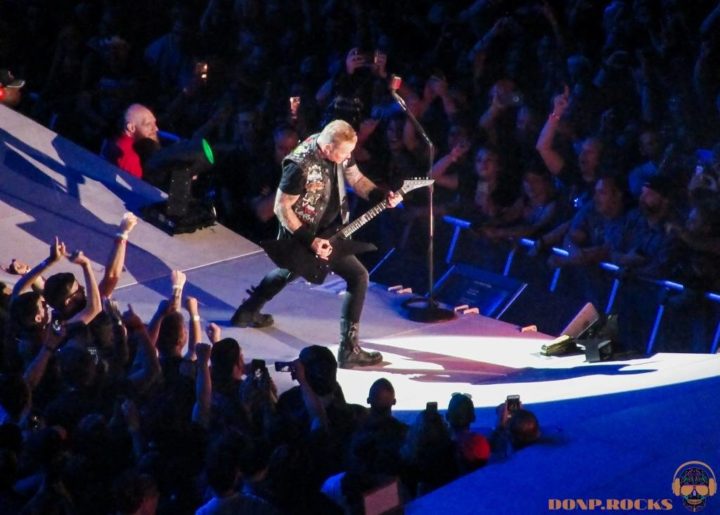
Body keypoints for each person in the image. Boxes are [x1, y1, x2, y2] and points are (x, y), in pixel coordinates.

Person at [230, 119, 401, 368]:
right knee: (336, 274)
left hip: (330, 232)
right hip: (302, 232)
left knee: (321, 273)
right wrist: (310, 241)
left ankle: (247, 312)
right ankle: (348, 349)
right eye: (344, 153)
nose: (348, 157)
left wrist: (380, 195)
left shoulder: (338, 151)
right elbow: (281, 207)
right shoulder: (299, 165)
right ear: (329, 147)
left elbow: (356, 179)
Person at [103, 104, 160, 179]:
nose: (156, 129)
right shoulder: (130, 157)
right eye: (148, 124)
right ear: (131, 128)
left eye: (155, 123)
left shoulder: (115, 140)